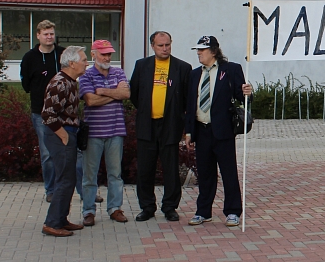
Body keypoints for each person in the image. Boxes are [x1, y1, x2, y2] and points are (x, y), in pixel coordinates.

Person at [185, 36, 252, 228]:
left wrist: (248, 91)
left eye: (202, 50)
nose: (198, 53)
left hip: (222, 130)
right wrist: (189, 131)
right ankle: (203, 211)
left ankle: (232, 211)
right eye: (197, 49)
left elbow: (242, 95)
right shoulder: (194, 74)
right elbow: (190, 104)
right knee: (205, 174)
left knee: (228, 172)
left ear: (213, 51)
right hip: (201, 129)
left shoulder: (230, 70)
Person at [130, 31, 192, 222]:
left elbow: (187, 100)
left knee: (171, 169)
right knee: (145, 169)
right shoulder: (142, 66)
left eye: (167, 45)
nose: (165, 49)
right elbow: (134, 93)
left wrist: (184, 125)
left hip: (171, 125)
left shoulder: (182, 67)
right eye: (160, 45)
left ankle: (170, 207)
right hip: (147, 125)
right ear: (152, 46)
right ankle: (147, 207)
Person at [79, 40, 130, 226]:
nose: (107, 57)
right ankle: (88, 211)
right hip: (93, 132)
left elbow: (126, 95)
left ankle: (115, 208)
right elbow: (90, 100)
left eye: (109, 54)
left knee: (115, 174)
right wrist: (113, 92)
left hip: (116, 131)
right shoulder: (86, 75)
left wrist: (103, 91)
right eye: (103, 54)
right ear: (93, 54)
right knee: (90, 175)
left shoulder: (118, 72)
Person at [40, 46, 88, 237]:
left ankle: (61, 219)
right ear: (72, 63)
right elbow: (48, 114)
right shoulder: (60, 83)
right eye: (84, 59)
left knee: (68, 178)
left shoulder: (70, 82)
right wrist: (64, 135)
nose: (87, 62)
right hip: (61, 133)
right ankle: (52, 223)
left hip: (67, 132)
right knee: (65, 179)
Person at [21, 20, 65, 202]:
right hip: (41, 113)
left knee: (72, 151)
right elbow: (26, 84)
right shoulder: (29, 58)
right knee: (47, 153)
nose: (49, 37)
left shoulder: (62, 54)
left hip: (63, 111)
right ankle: (51, 190)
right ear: (38, 35)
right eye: (46, 34)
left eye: (52, 34)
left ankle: (82, 189)